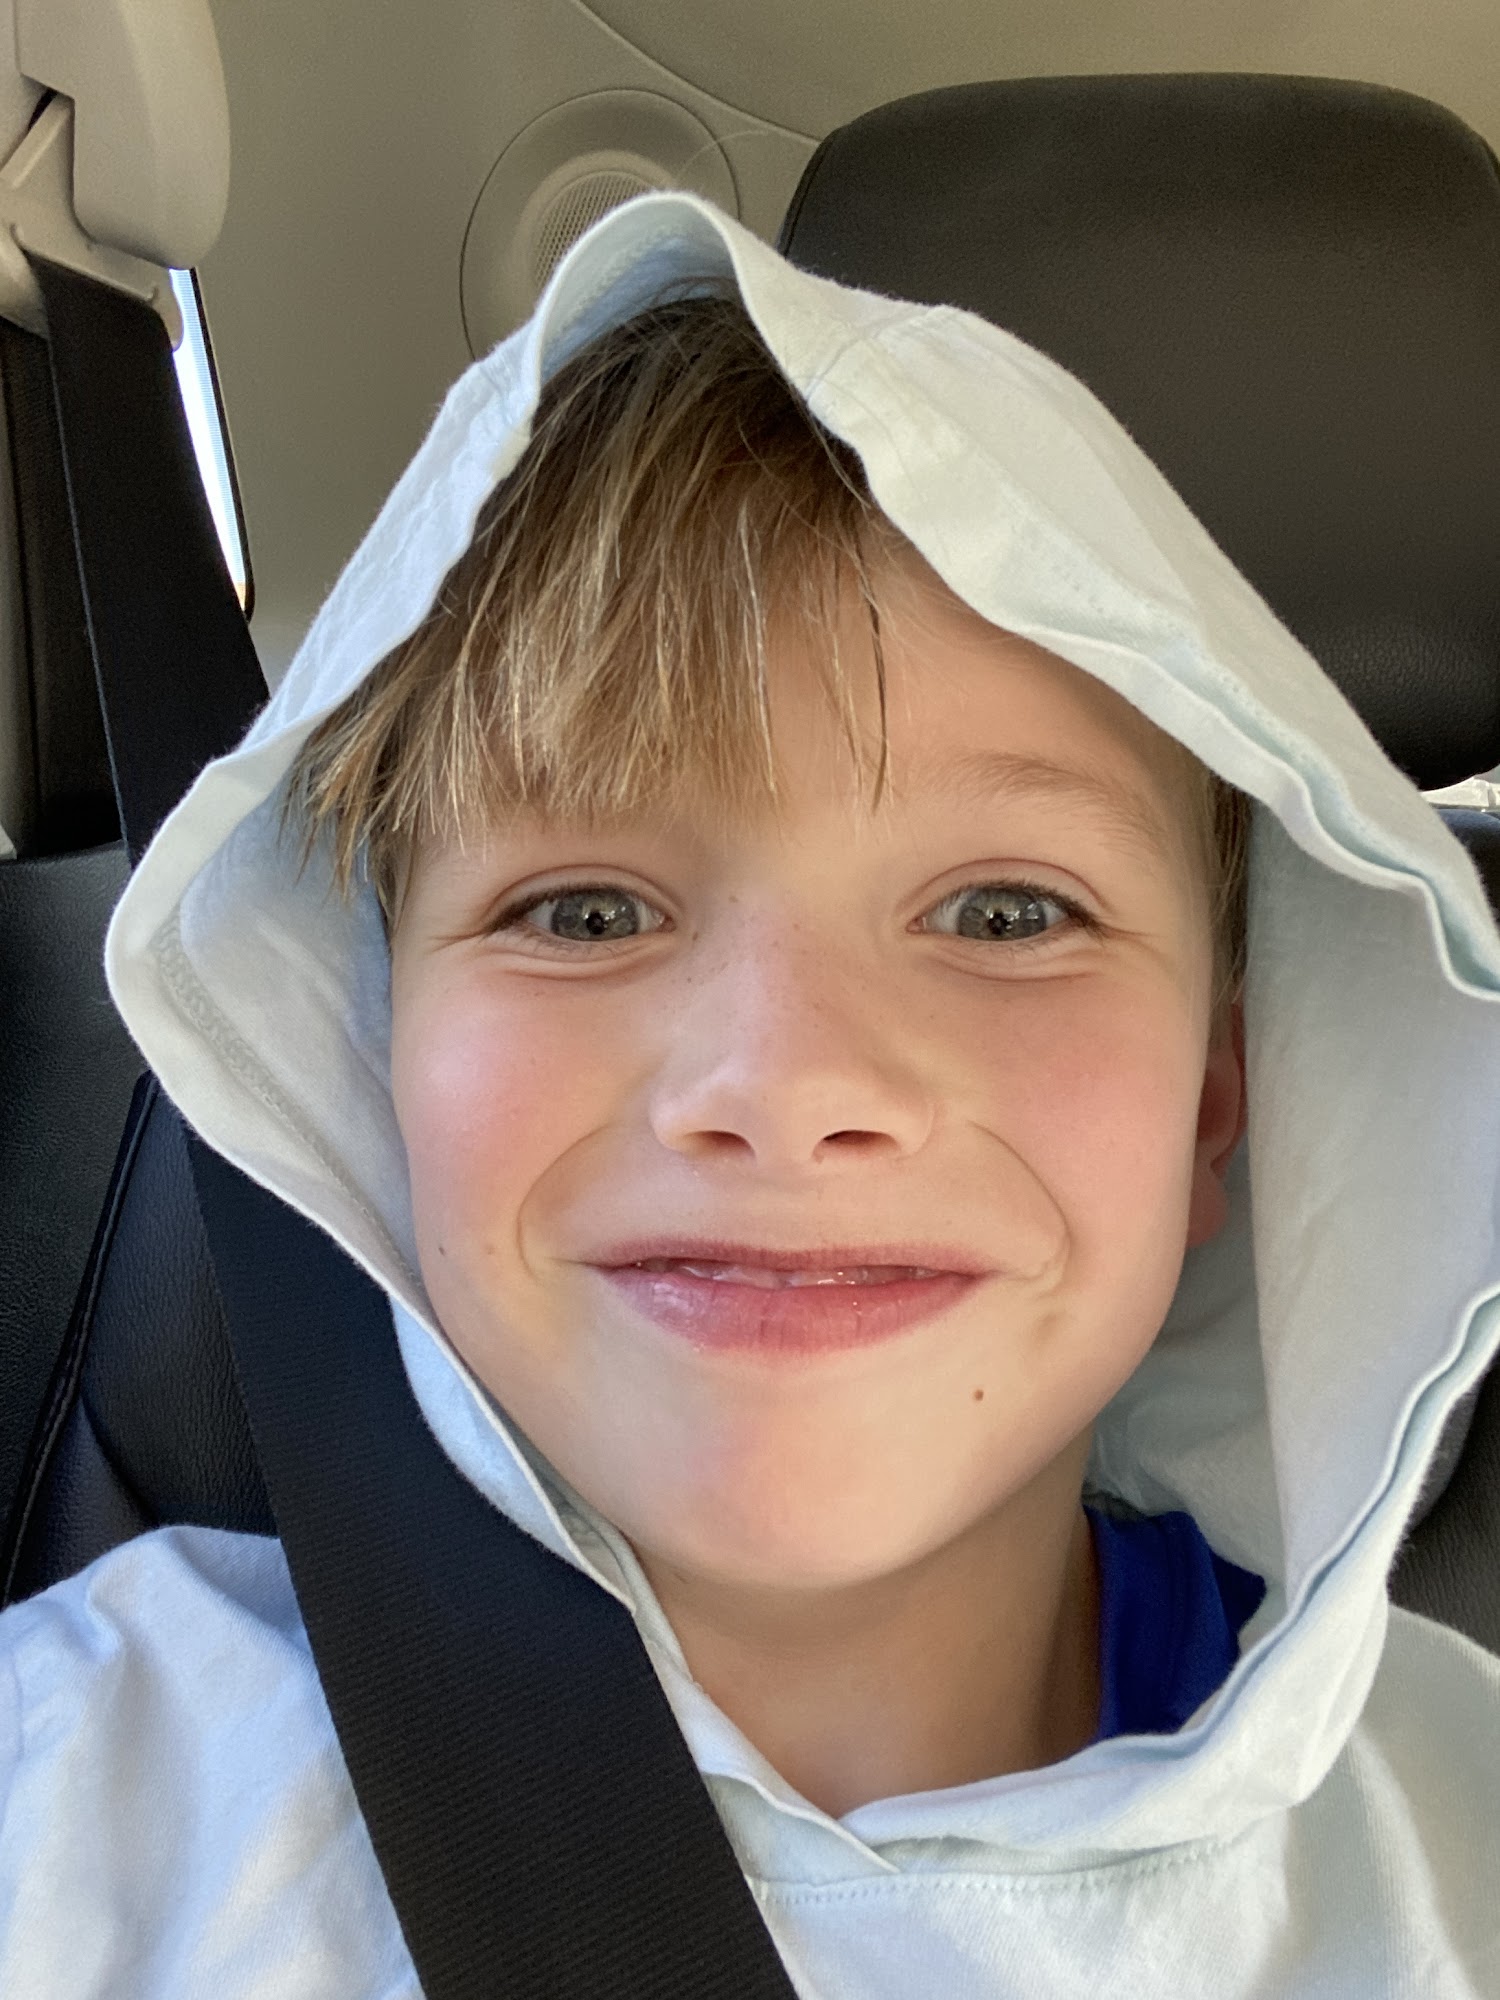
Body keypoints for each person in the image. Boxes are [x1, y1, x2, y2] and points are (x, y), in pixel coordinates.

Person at [1, 191, 1497, 1995]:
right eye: (585, 912)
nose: (785, 1086)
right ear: (379, 1057)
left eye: (1007, 913)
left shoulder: (1458, 1854)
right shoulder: (77, 1794)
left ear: (1210, 1106)